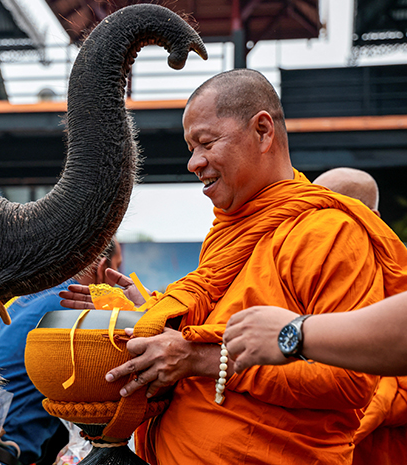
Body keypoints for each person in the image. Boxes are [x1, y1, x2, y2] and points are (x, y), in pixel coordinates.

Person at [60, 69, 407, 464]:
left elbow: (349, 383)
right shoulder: (228, 231)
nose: (194, 163)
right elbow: (224, 322)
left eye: (206, 143)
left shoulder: (327, 232)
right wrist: (152, 314)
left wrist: (199, 359)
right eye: (191, 147)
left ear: (262, 130)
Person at [224, 166, 407, 465]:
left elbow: (374, 389)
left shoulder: (397, 279)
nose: (320, 226)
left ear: (371, 219)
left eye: (334, 213)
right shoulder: (304, 268)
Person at [0, 239, 122, 465]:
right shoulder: (71, 311)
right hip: (9, 449)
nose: (119, 278)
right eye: (116, 267)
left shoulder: (33, 296)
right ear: (101, 268)